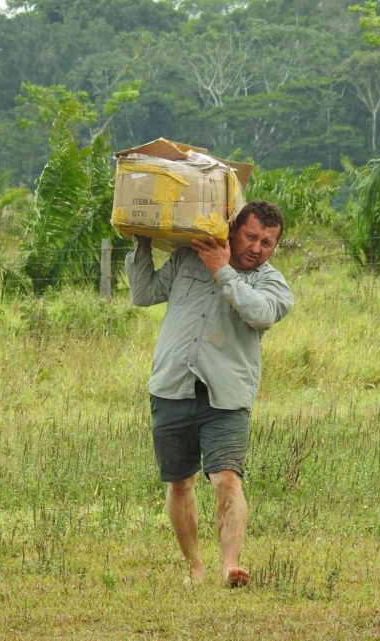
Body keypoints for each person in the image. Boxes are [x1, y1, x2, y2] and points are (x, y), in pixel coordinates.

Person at [126, 200, 293, 588]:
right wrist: (142, 240)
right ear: (233, 229)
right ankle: (193, 568)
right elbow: (144, 293)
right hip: (173, 385)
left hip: (226, 394)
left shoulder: (272, 284)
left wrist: (223, 270)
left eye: (267, 243)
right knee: (180, 482)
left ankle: (230, 565)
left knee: (226, 478)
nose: (257, 247)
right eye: (251, 236)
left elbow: (261, 314)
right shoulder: (188, 259)